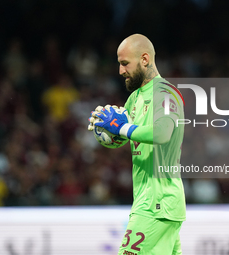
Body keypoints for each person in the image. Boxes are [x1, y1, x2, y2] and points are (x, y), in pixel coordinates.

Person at [89, 34, 186, 254]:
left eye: (125, 64)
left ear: (144, 59)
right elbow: (130, 135)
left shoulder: (165, 93)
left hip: (157, 204)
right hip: (150, 203)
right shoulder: (133, 99)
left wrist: (121, 128)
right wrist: (108, 133)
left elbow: (162, 133)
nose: (120, 71)